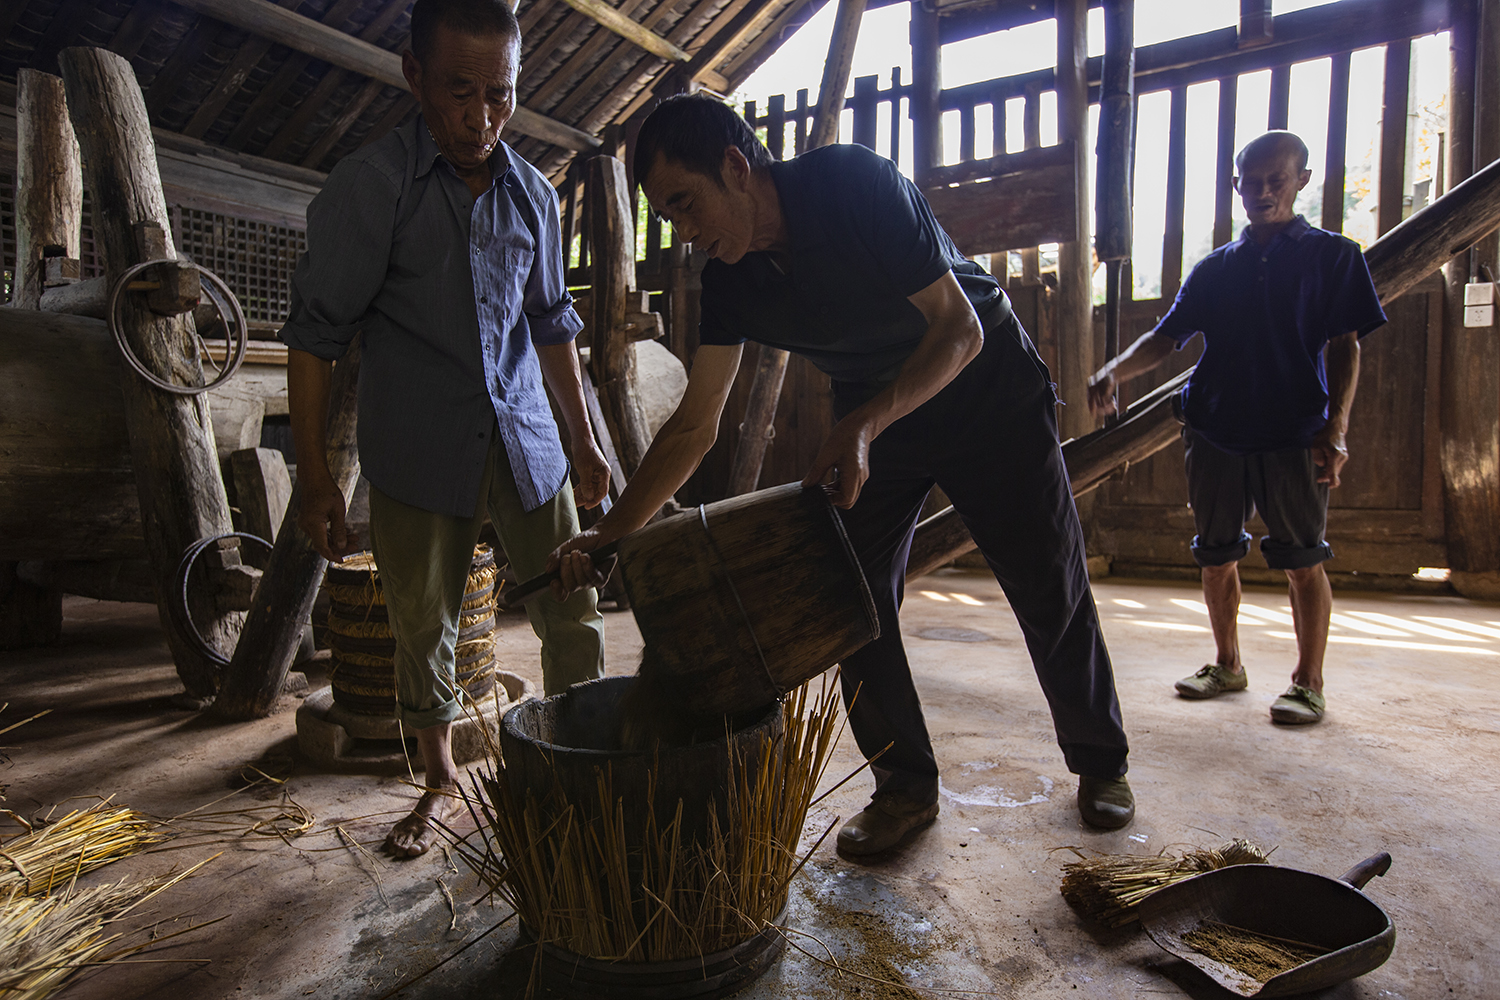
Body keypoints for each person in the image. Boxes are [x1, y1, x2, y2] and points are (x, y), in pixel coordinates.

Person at [549, 94, 1135, 857]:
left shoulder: (855, 184)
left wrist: (861, 426)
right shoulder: (727, 280)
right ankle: (904, 786)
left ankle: (1101, 763)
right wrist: (609, 532)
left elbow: (959, 330)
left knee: (1048, 585)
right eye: (668, 218)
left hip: (986, 389)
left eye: (686, 205)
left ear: (735, 166)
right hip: (876, 412)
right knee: (845, 596)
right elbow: (695, 427)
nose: (685, 232)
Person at [280, 0, 609, 858]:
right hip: (418, 445)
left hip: (525, 436)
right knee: (421, 623)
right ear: (414, 74)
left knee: (571, 605)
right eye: (460, 91)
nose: (481, 116)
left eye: (499, 94)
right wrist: (315, 476)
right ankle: (435, 784)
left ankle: (585, 765)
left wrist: (581, 439)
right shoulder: (372, 188)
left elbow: (551, 325)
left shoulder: (534, 195)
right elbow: (316, 335)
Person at [1087, 130, 1386, 726]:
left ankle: (1308, 682)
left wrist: (1337, 427)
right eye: (1252, 181)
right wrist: (1114, 370)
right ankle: (1227, 665)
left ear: (1302, 180)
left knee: (1303, 560)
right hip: (1214, 429)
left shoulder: (1335, 256)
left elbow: (1345, 345)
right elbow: (1167, 338)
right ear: (1235, 186)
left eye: (1277, 178)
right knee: (1216, 555)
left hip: (1294, 432)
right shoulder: (1217, 267)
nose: (1264, 190)